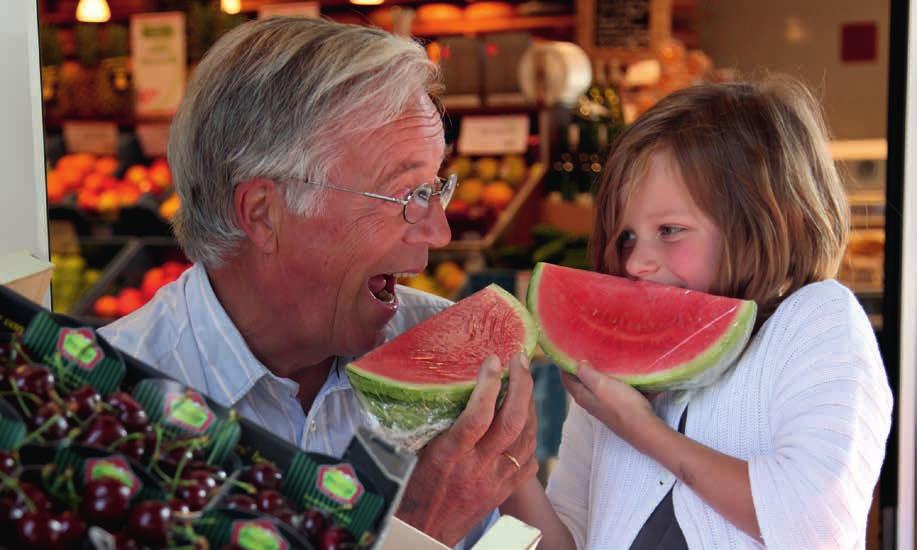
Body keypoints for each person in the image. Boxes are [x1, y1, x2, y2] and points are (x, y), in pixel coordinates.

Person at [99, 17, 537, 548]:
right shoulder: (107, 412)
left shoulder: (443, 349)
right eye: (406, 196)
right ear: (263, 213)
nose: (440, 232)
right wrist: (418, 528)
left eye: (437, 187)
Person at [500, 77, 893, 548]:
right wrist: (511, 467)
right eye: (625, 236)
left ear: (768, 220)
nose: (635, 262)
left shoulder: (818, 320)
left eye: (669, 229)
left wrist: (643, 430)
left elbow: (816, 523)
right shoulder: (615, 371)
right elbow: (566, 540)